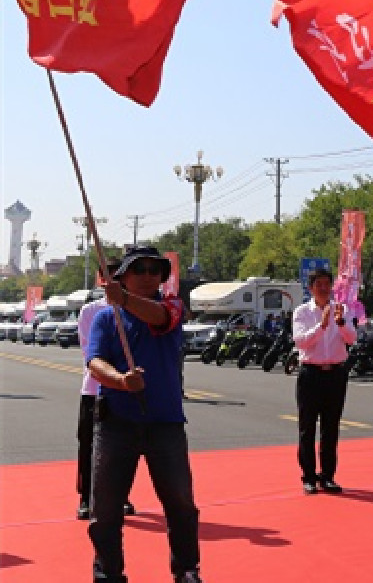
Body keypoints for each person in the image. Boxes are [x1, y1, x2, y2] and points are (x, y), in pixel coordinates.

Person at [85, 245, 201, 583]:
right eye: (140, 269)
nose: (149, 276)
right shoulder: (106, 318)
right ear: (122, 277)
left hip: (164, 422)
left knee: (180, 502)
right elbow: (94, 362)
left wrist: (124, 299)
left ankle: (187, 570)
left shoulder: (172, 307)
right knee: (105, 508)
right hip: (115, 423)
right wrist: (120, 381)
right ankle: (108, 571)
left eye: (155, 270)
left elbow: (160, 319)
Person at [75, 257, 135, 521]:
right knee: (88, 446)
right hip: (95, 390)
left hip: (127, 390)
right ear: (100, 278)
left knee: (126, 448)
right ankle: (86, 498)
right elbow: (91, 351)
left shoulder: (135, 309)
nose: (112, 279)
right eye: (107, 274)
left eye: (117, 274)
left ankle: (121, 496)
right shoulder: (91, 311)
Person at [291, 267, 357, 495]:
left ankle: (327, 476)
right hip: (311, 373)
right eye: (318, 284)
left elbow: (352, 338)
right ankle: (308, 476)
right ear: (310, 288)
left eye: (327, 284)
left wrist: (339, 323)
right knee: (307, 428)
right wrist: (322, 325)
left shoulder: (342, 310)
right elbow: (301, 341)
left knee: (331, 428)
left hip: (336, 374)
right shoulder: (302, 312)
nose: (323, 288)